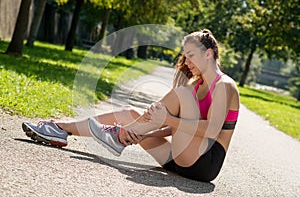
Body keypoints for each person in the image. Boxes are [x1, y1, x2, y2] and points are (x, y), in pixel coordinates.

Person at [22, 29, 240, 182]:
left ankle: (118, 135)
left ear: (208, 54)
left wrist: (166, 119)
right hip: (179, 157)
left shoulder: (224, 86)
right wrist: (146, 135)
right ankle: (61, 129)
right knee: (129, 114)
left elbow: (210, 130)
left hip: (203, 164)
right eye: (185, 56)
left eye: (191, 56)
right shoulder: (197, 85)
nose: (187, 62)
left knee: (180, 94)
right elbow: (179, 128)